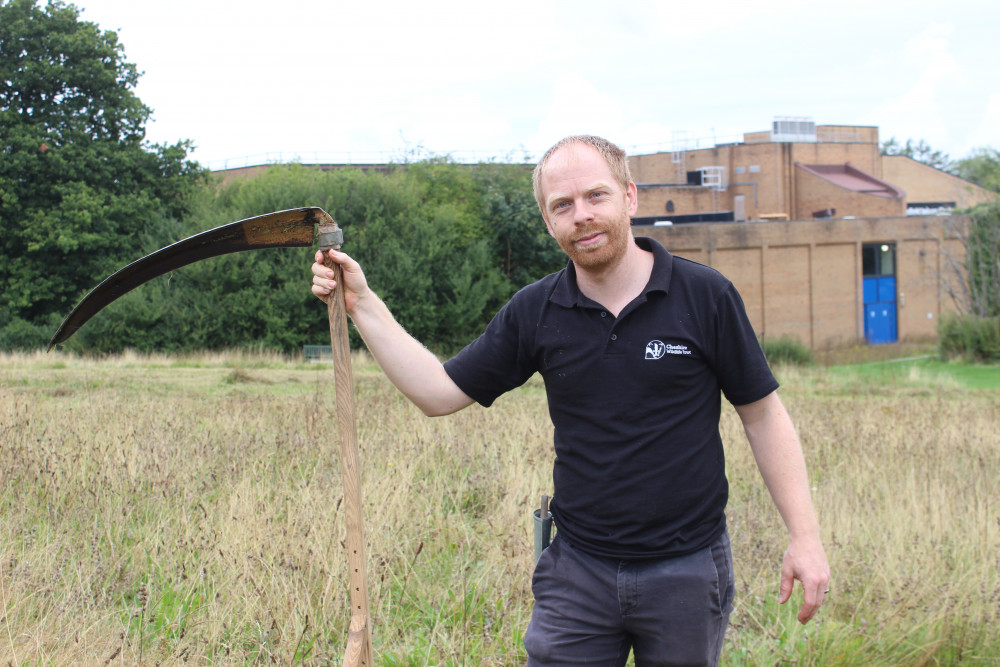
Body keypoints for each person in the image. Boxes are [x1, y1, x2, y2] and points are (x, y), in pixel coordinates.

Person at [311, 135, 830, 666]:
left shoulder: (705, 296)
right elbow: (437, 393)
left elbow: (763, 415)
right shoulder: (537, 310)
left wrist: (804, 537)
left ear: (630, 197)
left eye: (595, 196)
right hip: (578, 572)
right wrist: (361, 303)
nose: (581, 215)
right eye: (562, 205)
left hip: (687, 570)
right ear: (547, 220)